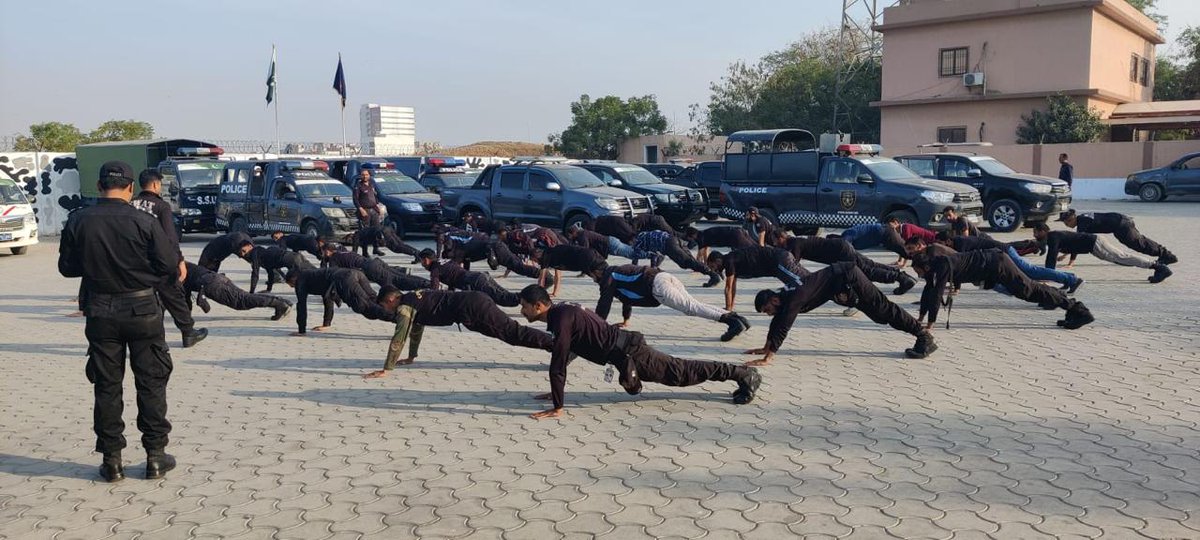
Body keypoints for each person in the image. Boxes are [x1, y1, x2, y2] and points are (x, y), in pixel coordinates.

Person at [57, 160, 180, 482]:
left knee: (107, 387)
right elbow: (168, 266)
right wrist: (143, 275)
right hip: (143, 310)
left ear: (99, 186)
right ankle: (155, 455)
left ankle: (112, 459)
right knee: (151, 383)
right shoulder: (145, 220)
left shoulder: (78, 220)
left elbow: (67, 269)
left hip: (100, 311)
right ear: (129, 188)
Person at [518, 285, 763, 419]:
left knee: (680, 373)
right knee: (675, 372)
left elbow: (558, 363)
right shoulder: (563, 311)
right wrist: (555, 391)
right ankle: (739, 373)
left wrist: (558, 406)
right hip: (625, 351)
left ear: (539, 306)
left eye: (524, 307)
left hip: (631, 352)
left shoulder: (560, 320)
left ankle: (743, 374)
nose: (522, 312)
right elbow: (575, 347)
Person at [749, 262, 938, 365]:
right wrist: (766, 346)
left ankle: (924, 337)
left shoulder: (793, 297)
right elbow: (778, 320)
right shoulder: (784, 296)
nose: (768, 314)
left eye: (767, 310)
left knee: (885, 309)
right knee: (880, 317)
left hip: (849, 276)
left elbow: (784, 326)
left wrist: (769, 357)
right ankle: (921, 336)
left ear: (773, 300)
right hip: (843, 280)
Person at [363, 287, 555, 378]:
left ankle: (557, 344)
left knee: (512, 333)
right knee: (511, 334)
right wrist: (412, 356)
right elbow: (416, 329)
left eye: (384, 307)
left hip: (472, 308)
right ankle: (555, 345)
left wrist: (387, 368)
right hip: (471, 304)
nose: (386, 311)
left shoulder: (404, 308)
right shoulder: (411, 297)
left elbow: (399, 337)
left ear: (390, 301)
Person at [910, 248, 1095, 331]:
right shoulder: (934, 266)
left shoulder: (941, 267)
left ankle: (1077, 309)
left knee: (1029, 291)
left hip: (996, 263)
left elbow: (935, 296)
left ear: (924, 267)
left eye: (916, 271)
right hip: (992, 265)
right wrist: (920, 316)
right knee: (1028, 290)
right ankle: (1069, 307)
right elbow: (929, 291)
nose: (917, 275)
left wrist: (930, 325)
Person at [131, 169, 208, 348]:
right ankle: (188, 332)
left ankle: (151, 338)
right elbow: (170, 237)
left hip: (137, 261)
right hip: (160, 260)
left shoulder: (130, 203)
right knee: (174, 296)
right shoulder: (161, 206)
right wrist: (180, 260)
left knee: (145, 301)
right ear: (156, 184)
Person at [590, 264, 750, 341]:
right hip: (664, 276)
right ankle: (737, 318)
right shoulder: (616, 273)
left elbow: (604, 304)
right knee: (694, 304)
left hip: (657, 286)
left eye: (592, 277)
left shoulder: (607, 278)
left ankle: (732, 323)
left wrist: (596, 327)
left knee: (691, 307)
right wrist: (626, 320)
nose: (594, 281)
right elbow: (626, 299)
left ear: (596, 272)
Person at [920, 232, 1081, 292]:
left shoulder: (961, 244)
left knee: (1031, 272)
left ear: (947, 241)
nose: (939, 247)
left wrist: (955, 287)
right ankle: (1067, 278)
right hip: (999, 255)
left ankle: (1071, 279)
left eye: (940, 243)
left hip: (1003, 253)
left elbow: (962, 266)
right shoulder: (958, 244)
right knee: (1029, 274)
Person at [777, 234, 917, 295]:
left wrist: (789, 287)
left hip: (840, 251)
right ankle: (901, 275)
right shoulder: (798, 240)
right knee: (869, 264)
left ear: (782, 238)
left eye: (778, 243)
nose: (779, 246)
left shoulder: (794, 244)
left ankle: (900, 279)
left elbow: (793, 267)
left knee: (865, 272)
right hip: (841, 246)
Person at [1034, 223, 1172, 283]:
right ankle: (1157, 266)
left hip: (1095, 244)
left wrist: (1048, 275)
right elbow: (1070, 246)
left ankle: (1159, 267)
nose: (1034, 235)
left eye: (1036, 232)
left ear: (1043, 231)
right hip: (1095, 244)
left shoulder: (1052, 237)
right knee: (1123, 258)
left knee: (1122, 258)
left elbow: (1051, 256)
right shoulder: (1053, 236)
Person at [284, 267, 395, 335]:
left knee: (366, 308)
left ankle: (399, 319)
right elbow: (328, 299)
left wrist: (301, 330)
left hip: (344, 279)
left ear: (293, 279)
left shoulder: (301, 280)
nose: (292, 287)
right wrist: (326, 324)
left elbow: (301, 305)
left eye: (291, 285)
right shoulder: (312, 275)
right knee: (374, 301)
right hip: (355, 273)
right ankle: (400, 313)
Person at [706, 246, 809, 311]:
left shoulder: (729, 261)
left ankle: (819, 291)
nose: (713, 270)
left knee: (803, 282)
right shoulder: (731, 259)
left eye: (712, 266)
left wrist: (727, 309)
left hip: (779, 260)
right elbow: (732, 287)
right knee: (806, 279)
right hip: (778, 263)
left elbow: (728, 288)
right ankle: (820, 287)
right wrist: (731, 306)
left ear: (718, 261)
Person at [1058, 210, 1177, 265]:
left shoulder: (1082, 224)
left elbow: (1077, 243)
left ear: (1072, 218)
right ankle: (1165, 254)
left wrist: (1070, 262)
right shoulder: (1083, 218)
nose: (1067, 225)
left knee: (1139, 244)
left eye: (1066, 222)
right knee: (1140, 241)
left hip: (1120, 225)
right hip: (1121, 220)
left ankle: (1167, 255)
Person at [183, 262, 293, 321]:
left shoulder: (173, 269)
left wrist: (185, 317)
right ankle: (281, 302)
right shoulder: (180, 262)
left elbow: (184, 294)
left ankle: (279, 304)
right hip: (217, 278)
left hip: (212, 284)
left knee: (242, 301)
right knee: (244, 297)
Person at [419, 249, 520, 307]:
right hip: (480, 276)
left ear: (426, 260)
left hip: (475, 282)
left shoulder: (435, 269)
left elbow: (434, 289)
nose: (421, 264)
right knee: (505, 294)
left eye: (421, 261)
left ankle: (527, 300)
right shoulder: (443, 261)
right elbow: (452, 280)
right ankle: (524, 298)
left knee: (503, 299)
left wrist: (428, 303)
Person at [630, 230, 722, 286]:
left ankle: (713, 275)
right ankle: (713, 274)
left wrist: (633, 272)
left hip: (669, 244)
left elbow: (635, 258)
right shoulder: (645, 235)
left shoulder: (637, 241)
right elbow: (658, 254)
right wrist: (654, 268)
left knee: (686, 262)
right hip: (675, 239)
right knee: (691, 261)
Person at [323, 244, 431, 291]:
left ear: (328, 251)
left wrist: (329, 292)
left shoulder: (334, 258)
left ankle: (428, 285)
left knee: (398, 282)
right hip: (375, 262)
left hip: (370, 268)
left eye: (324, 252)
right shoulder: (342, 251)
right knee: (401, 277)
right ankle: (428, 283)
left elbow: (333, 275)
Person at [530, 244, 609, 297]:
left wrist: (537, 296)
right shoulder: (551, 253)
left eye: (534, 260)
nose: (534, 262)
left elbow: (541, 280)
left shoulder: (545, 259)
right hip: (590, 254)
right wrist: (555, 293)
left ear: (537, 257)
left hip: (585, 259)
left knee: (601, 279)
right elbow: (558, 275)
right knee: (608, 274)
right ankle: (613, 289)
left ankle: (610, 293)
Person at [240, 244, 315, 293]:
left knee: (304, 278)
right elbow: (270, 274)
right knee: (315, 272)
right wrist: (269, 289)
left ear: (250, 246)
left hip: (289, 259)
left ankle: (321, 291)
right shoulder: (265, 258)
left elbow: (255, 274)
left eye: (244, 251)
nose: (244, 254)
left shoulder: (254, 253)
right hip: (295, 255)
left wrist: (251, 292)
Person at [567, 225, 643, 261]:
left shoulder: (582, 236)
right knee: (631, 251)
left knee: (631, 253)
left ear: (573, 233)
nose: (569, 237)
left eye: (569, 235)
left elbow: (585, 250)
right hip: (611, 241)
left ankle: (650, 254)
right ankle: (647, 251)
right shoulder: (583, 233)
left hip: (611, 245)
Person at [684, 226, 757, 262]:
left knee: (749, 250)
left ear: (693, 235)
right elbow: (706, 250)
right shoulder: (703, 234)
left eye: (689, 238)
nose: (690, 240)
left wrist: (697, 266)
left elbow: (700, 255)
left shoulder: (700, 239)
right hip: (737, 230)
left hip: (734, 235)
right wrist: (707, 263)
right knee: (755, 246)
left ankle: (757, 261)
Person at [343, 225, 420, 259]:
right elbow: (364, 250)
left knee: (396, 248)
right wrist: (365, 256)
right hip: (387, 229)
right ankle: (417, 253)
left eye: (349, 240)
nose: (350, 242)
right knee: (401, 245)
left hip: (382, 233)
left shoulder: (356, 237)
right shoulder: (361, 234)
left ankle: (415, 253)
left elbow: (354, 251)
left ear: (350, 236)